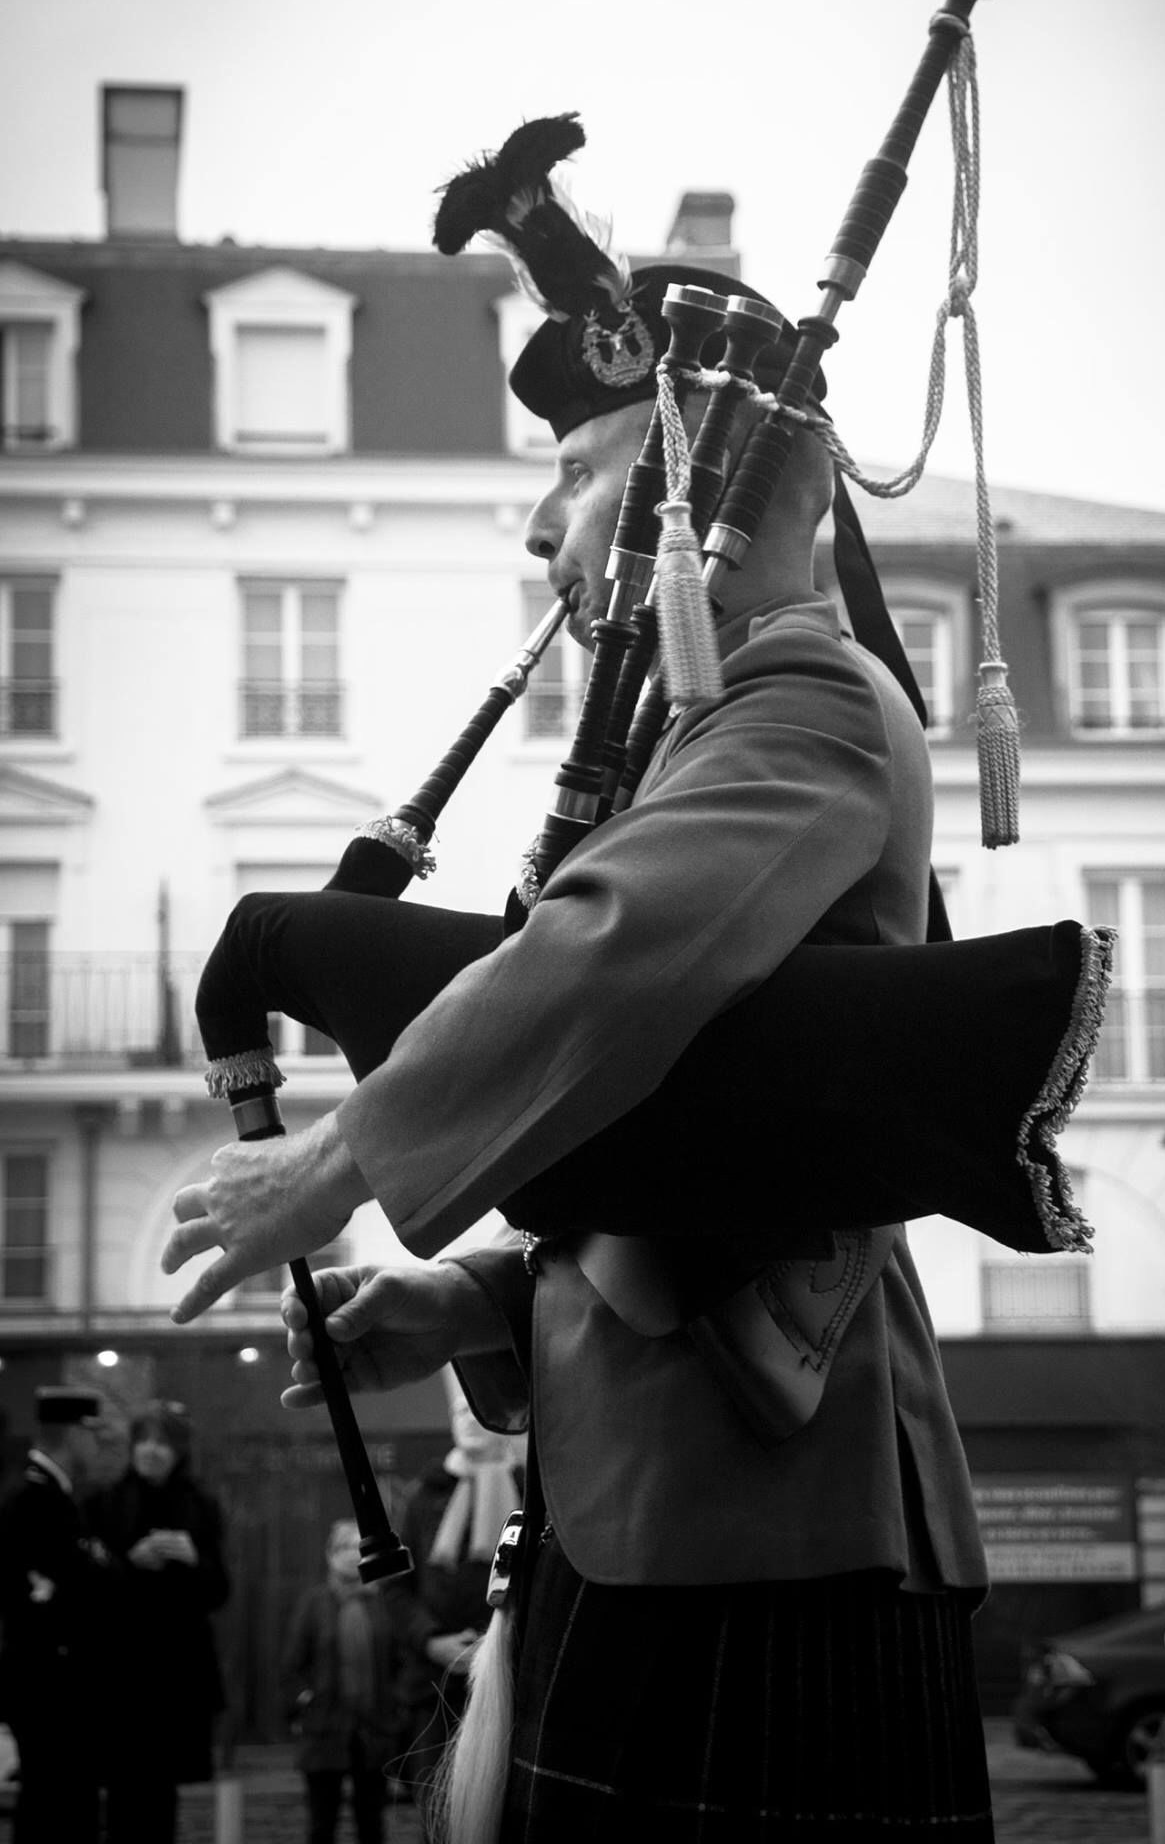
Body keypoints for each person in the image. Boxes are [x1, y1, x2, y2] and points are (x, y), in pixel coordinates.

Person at [162, 151, 997, 1838]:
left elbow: (601, 956)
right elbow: (659, 1155)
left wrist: (326, 1170)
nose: (544, 519)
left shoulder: (810, 704)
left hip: (775, 1518)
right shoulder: (707, 737)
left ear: (705, 497)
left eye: (580, 466)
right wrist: (465, 1307)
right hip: (656, 1510)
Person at [88, 1399, 230, 1844]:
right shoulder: (102, 1503)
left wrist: (193, 1560)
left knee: (163, 1796)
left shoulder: (201, 1506)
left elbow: (220, 1590)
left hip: (177, 1674)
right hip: (120, 1673)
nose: (152, 1451)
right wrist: (128, 1564)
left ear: (179, 1451)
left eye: (163, 1443)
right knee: (122, 1793)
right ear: (131, 1448)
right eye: (144, 1441)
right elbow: (87, 1592)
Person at [390, 1379, 524, 1805]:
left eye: (475, 1411)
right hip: (435, 1685)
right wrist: (432, 1640)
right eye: (458, 1413)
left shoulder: (528, 1489)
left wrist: (499, 1643)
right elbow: (397, 1587)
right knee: (437, 1808)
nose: (466, 1421)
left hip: (510, 1675)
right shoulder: (425, 1495)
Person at [0, 1386, 112, 1844]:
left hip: (58, 1682)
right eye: (94, 1435)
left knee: (65, 1803)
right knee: (53, 1806)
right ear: (73, 1434)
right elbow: (37, 1596)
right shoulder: (32, 1499)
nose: (98, 1445)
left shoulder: (56, 1496)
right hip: (48, 1682)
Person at [282, 1518, 405, 1844]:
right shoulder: (314, 1602)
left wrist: (395, 1707)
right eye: (343, 1546)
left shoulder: (386, 1602)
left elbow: (400, 1661)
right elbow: (292, 1664)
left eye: (358, 1546)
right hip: (324, 1733)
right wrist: (306, 1701)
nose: (351, 1554)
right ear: (329, 1554)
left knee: (372, 1825)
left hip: (374, 1732)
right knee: (321, 1826)